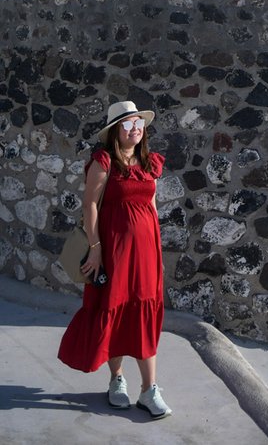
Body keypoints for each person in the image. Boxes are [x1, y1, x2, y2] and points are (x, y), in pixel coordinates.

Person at [58, 100, 172, 419]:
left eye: (138, 123)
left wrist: (154, 250)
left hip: (146, 252)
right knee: (116, 309)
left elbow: (150, 206)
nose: (134, 128)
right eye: (127, 124)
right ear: (114, 131)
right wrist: (96, 247)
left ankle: (150, 389)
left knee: (144, 314)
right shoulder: (104, 161)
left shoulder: (150, 163)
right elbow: (90, 205)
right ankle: (116, 381)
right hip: (113, 251)